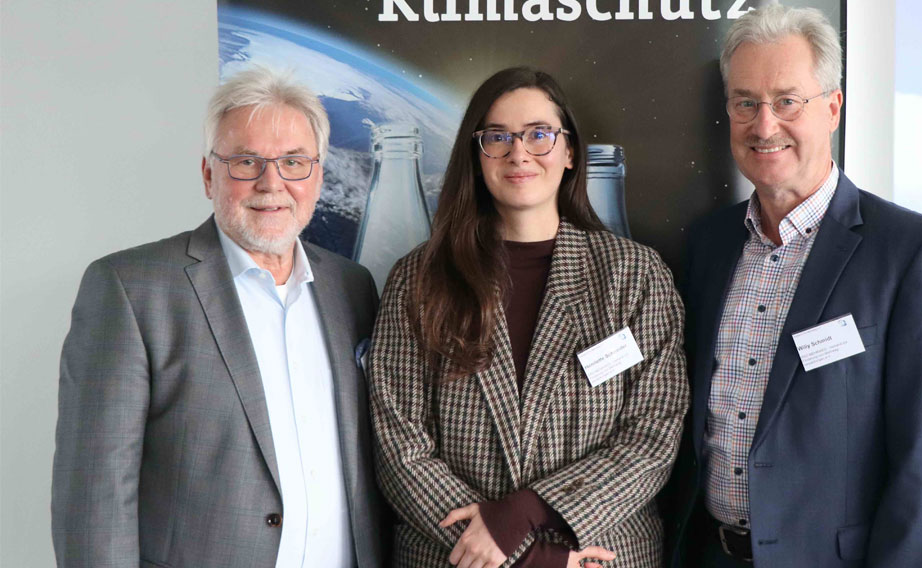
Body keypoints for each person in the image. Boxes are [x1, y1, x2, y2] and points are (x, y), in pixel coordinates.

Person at [662, 5, 922, 567]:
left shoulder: (914, 253)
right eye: (746, 103)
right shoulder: (708, 246)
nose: (764, 125)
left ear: (832, 107)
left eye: (787, 101)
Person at [51, 66, 387, 567]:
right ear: (209, 175)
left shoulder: (352, 287)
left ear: (317, 175)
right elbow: (95, 496)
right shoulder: (130, 289)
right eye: (246, 162)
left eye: (294, 162)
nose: (272, 183)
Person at [368, 67, 689, 567]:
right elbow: (399, 444)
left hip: (598, 557)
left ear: (570, 152)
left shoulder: (636, 275)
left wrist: (525, 514)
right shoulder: (419, 278)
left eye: (539, 134)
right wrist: (530, 557)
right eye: (498, 137)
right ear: (476, 158)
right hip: (458, 559)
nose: (519, 153)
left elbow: (653, 432)